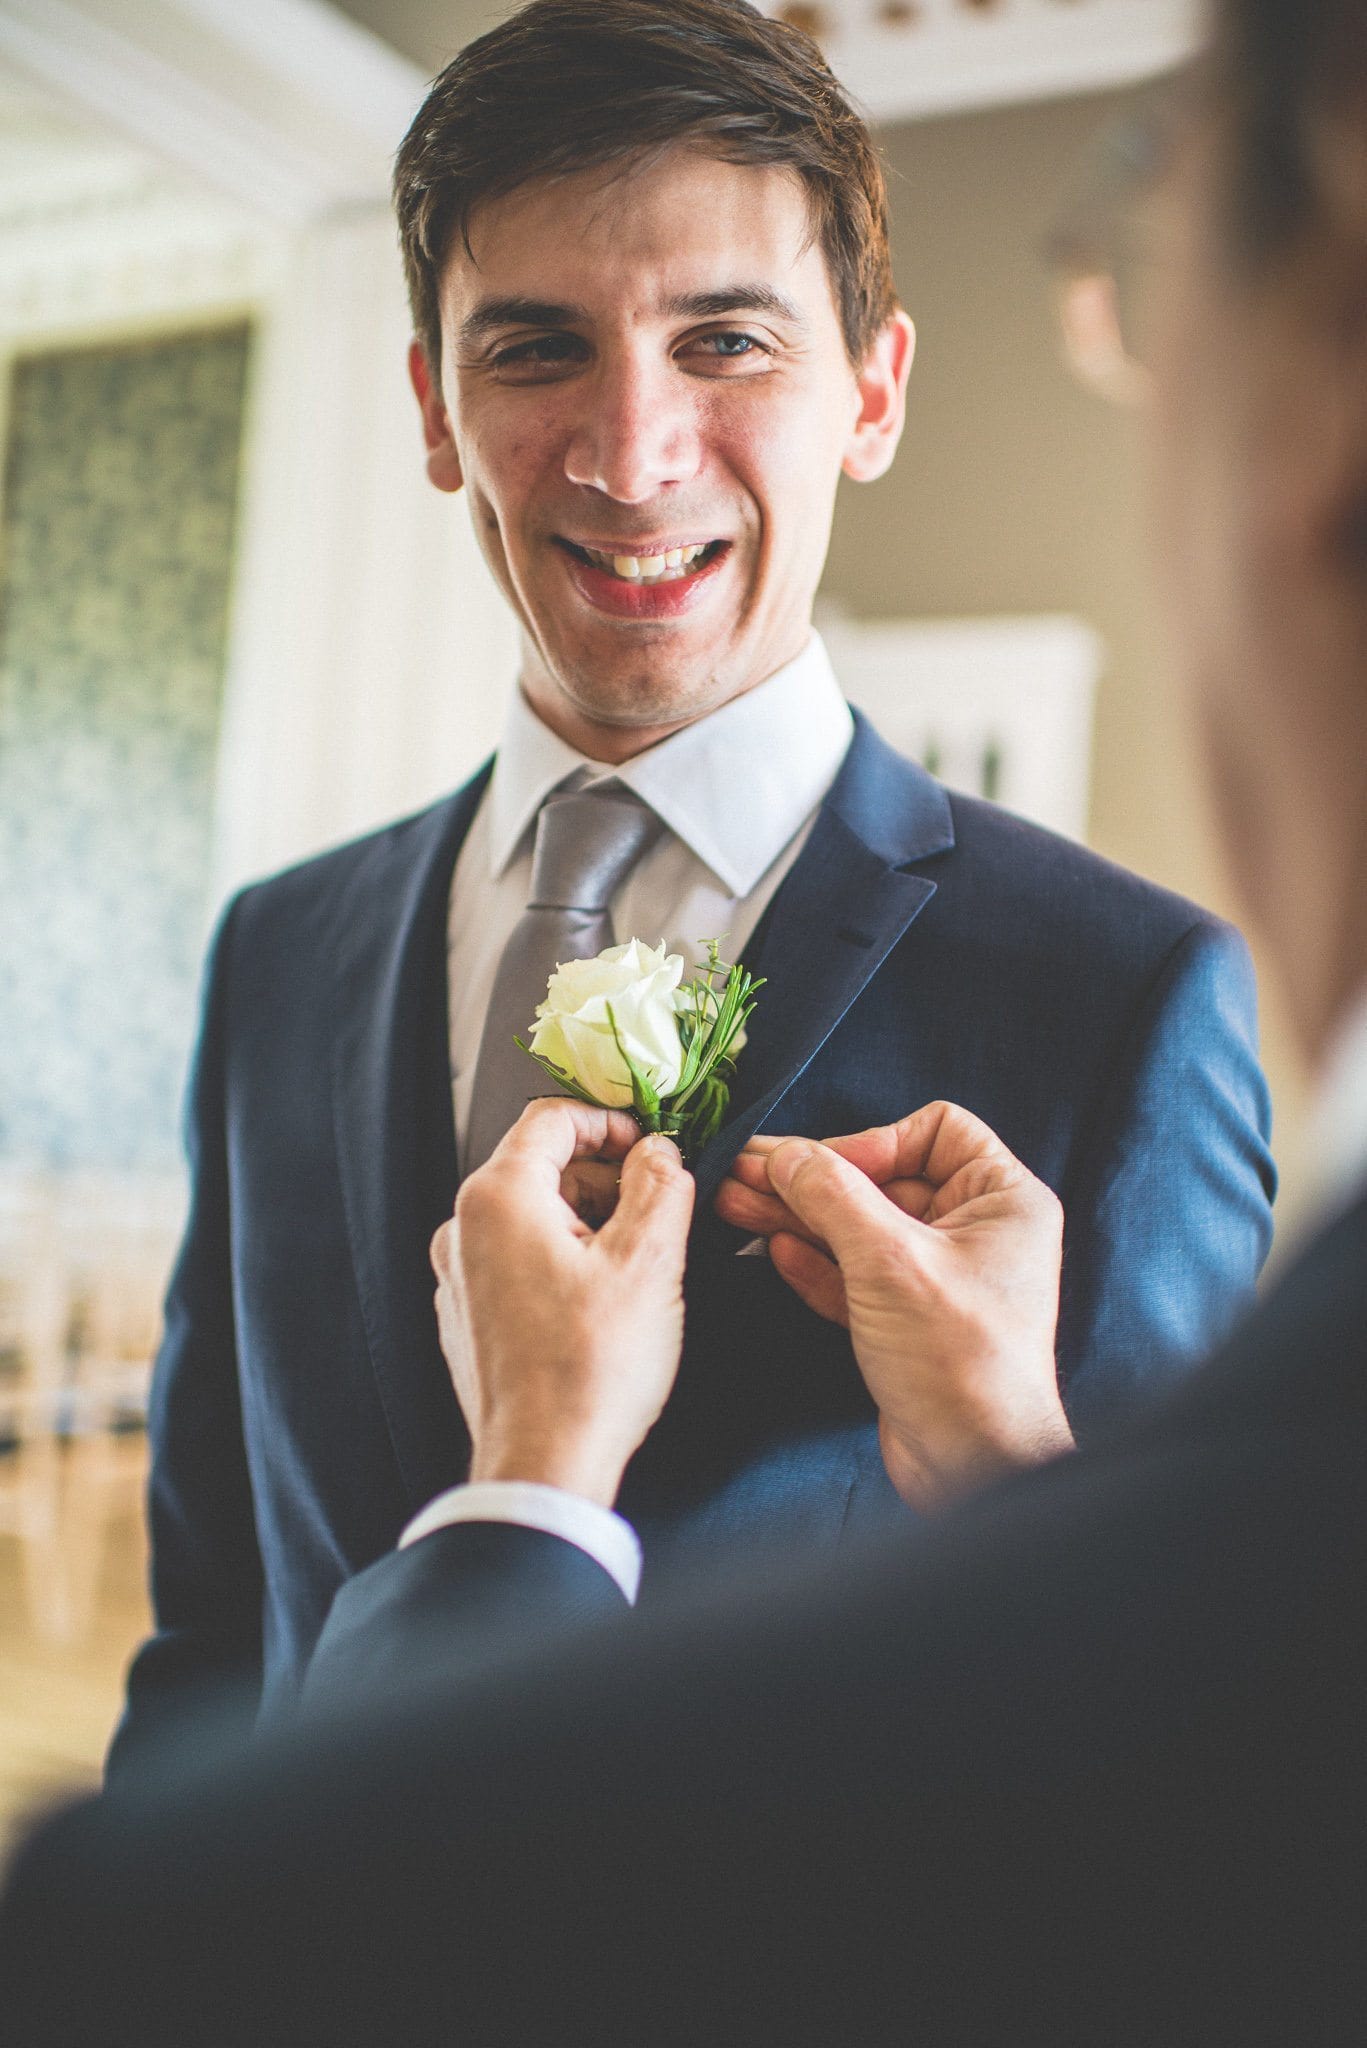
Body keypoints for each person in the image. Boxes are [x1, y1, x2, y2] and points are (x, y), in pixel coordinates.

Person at [3, 0, 1363, 2034]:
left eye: (726, 341)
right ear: (437, 408)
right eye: (535, 346)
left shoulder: (1123, 989)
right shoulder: (277, 953)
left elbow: (1187, 1761)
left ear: (873, 394)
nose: (630, 457)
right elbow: (215, 1641)